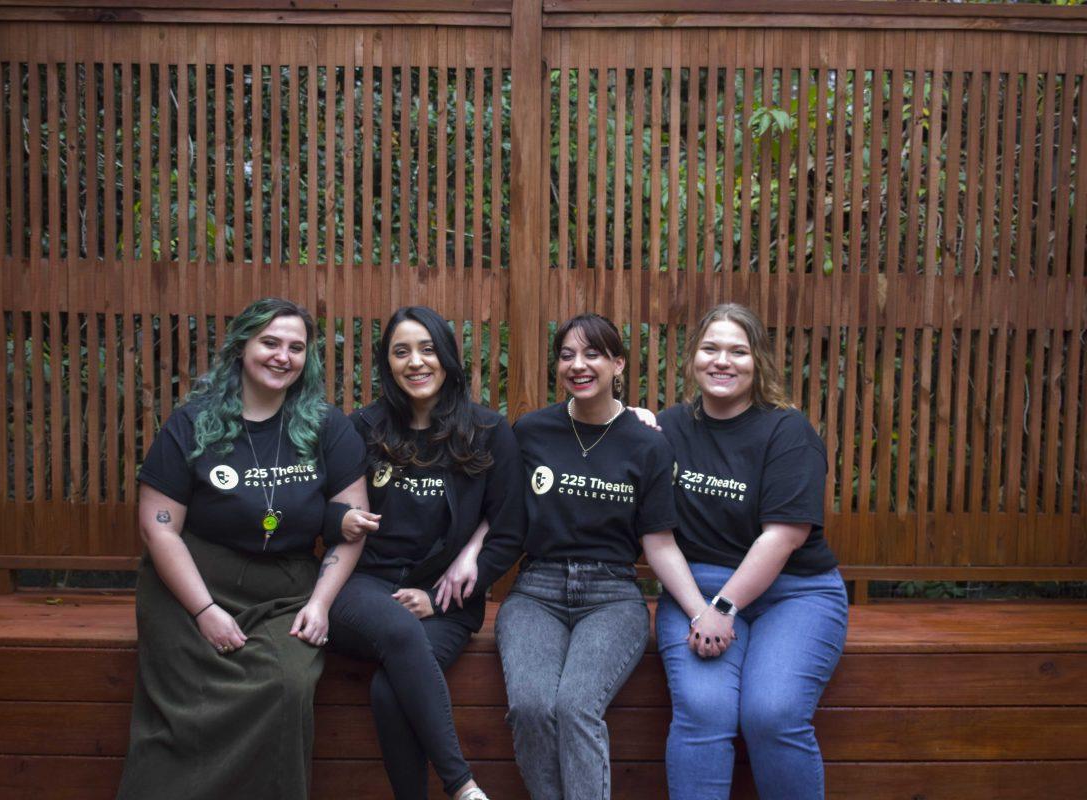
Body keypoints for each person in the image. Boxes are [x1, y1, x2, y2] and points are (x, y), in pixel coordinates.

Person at [117, 297, 371, 799]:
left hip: (286, 589)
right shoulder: (192, 424)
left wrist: (320, 604)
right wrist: (205, 610)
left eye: (296, 347)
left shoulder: (327, 427)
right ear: (241, 349)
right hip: (191, 585)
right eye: (270, 343)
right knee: (190, 706)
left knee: (287, 685)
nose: (283, 356)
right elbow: (159, 530)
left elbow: (350, 528)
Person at [643, 302, 848, 800]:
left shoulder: (787, 431)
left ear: (758, 361)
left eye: (738, 351)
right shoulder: (667, 429)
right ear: (693, 356)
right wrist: (700, 611)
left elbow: (784, 536)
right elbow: (656, 532)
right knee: (704, 710)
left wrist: (725, 609)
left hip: (795, 593)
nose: (722, 361)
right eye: (711, 348)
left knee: (772, 713)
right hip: (697, 592)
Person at [471, 312, 676, 800]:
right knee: (532, 706)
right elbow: (500, 510)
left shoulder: (647, 442)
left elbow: (659, 540)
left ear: (618, 364)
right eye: (567, 355)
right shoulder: (531, 432)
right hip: (536, 591)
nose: (578, 365)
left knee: (575, 706)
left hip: (611, 596)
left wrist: (703, 609)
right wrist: (469, 559)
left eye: (593, 354)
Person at [321, 306, 523, 800]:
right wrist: (338, 520)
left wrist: (436, 598)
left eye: (428, 349)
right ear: (387, 363)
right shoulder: (362, 428)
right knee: (396, 628)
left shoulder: (488, 432)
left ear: (448, 357)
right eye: (401, 351)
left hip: (447, 603)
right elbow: (322, 512)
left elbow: (510, 530)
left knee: (391, 691)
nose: (416, 362)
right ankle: (464, 787)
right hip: (363, 587)